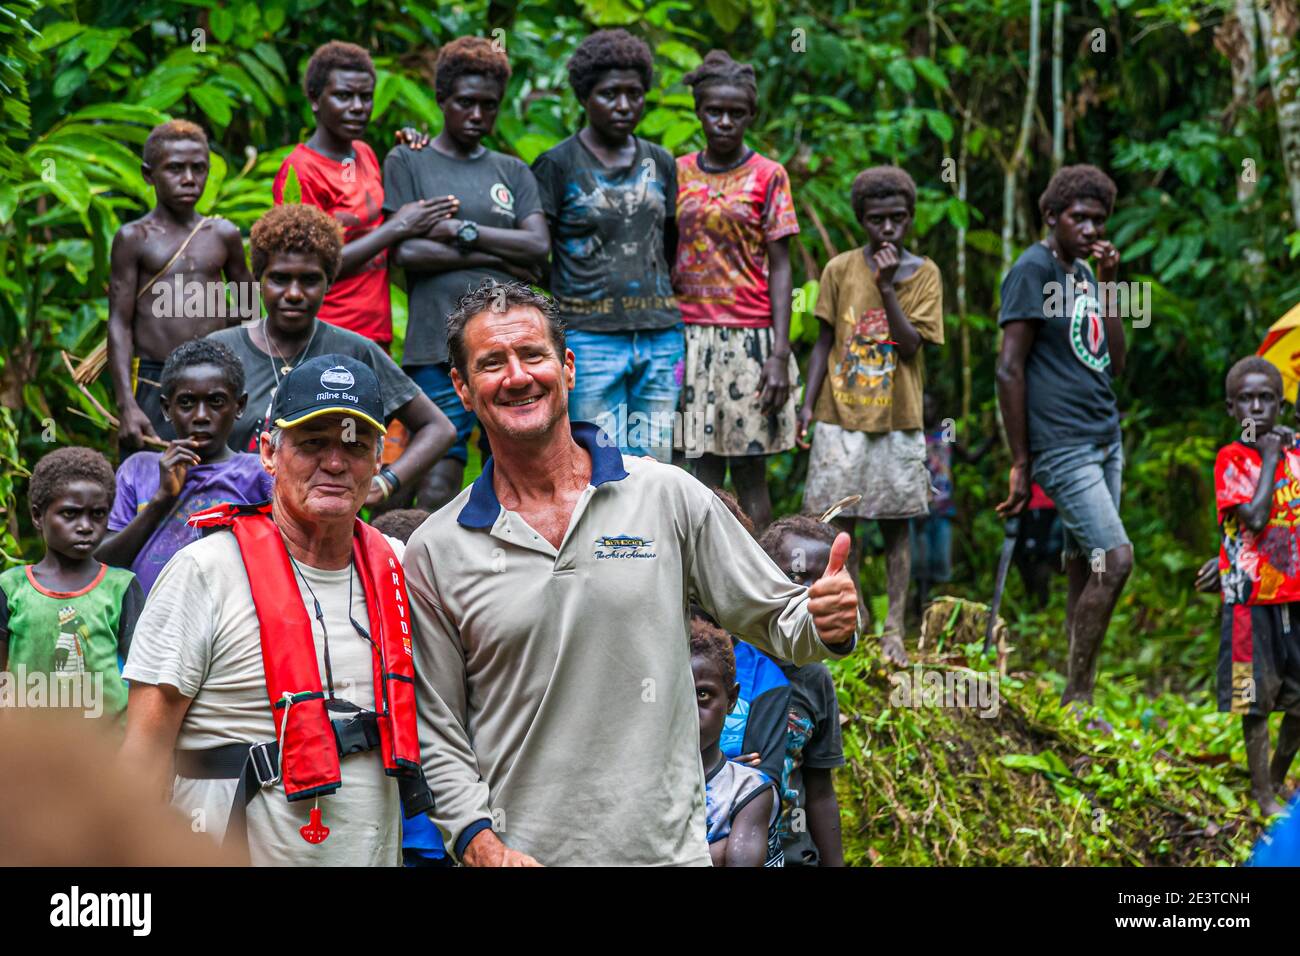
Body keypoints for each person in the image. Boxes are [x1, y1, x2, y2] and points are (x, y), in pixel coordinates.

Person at [404, 280, 861, 867]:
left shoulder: (665, 496)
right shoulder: (437, 548)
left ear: (567, 367)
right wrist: (478, 842)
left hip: (662, 854)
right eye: (492, 363)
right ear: (463, 390)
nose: (517, 376)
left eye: (534, 355)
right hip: (521, 857)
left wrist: (830, 620)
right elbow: (436, 725)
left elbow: (778, 617)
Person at [119, 354, 435, 865]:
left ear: (379, 458)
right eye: (313, 443)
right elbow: (141, 759)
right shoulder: (204, 571)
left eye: (355, 445)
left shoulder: (401, 569)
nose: (335, 463)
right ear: (268, 451)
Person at [385, 36, 549, 508]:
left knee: (518, 460)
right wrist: (501, 258)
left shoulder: (513, 171)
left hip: (509, 347)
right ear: (441, 101)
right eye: (465, 103)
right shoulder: (409, 160)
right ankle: (406, 571)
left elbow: (538, 247)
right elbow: (408, 254)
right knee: (437, 464)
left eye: (488, 105)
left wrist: (460, 231)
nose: (477, 115)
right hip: (435, 344)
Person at [207, 203, 454, 507]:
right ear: (259, 279)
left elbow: (439, 428)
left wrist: (385, 483)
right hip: (229, 523)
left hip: (323, 532)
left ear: (330, 282)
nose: (294, 293)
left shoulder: (353, 351)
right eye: (280, 279)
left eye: (310, 280)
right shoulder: (221, 351)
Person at [994, 163, 1130, 705]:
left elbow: (1115, 361)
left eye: (1099, 220)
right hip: (1063, 443)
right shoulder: (1033, 269)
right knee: (1117, 560)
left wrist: (1112, 287)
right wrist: (1022, 461)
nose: (1092, 229)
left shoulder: (1083, 274)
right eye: (1080, 218)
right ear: (1052, 216)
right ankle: (1076, 694)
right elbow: (1009, 368)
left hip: (1105, 435)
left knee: (1087, 564)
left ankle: (1081, 698)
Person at [799, 166, 944, 667]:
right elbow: (824, 343)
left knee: (897, 526)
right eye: (878, 220)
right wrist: (805, 404)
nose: (888, 230)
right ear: (862, 219)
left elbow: (910, 345)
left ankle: (894, 629)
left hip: (897, 421)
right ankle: (855, 618)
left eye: (898, 219)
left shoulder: (924, 274)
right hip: (839, 417)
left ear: (910, 220)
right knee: (845, 528)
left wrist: (885, 287)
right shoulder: (839, 269)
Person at [532, 29, 681, 462]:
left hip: (660, 332)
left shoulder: (661, 161)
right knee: (599, 459)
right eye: (608, 94)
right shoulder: (557, 164)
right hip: (588, 337)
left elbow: (669, 239)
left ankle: (654, 535)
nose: (623, 105)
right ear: (584, 96)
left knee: (657, 463)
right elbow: (537, 250)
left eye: (634, 94)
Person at [673, 51, 800, 531]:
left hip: (751, 339)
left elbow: (782, 265)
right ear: (699, 111)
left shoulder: (769, 176)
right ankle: (702, 594)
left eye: (736, 113)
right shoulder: (678, 171)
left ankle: (761, 583)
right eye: (713, 111)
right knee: (699, 470)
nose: (724, 121)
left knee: (750, 474)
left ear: (751, 115)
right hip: (690, 335)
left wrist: (779, 353)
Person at [273, 41, 454, 348]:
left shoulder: (364, 153)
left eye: (365, 97)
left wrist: (410, 153)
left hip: (375, 332)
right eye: (344, 96)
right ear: (315, 100)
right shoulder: (301, 169)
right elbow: (309, 267)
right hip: (327, 334)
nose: (358, 107)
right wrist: (399, 227)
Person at [108, 120, 255, 452]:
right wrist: (127, 405)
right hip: (154, 380)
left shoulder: (223, 235)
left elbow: (248, 309)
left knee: (218, 481)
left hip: (217, 381)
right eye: (175, 168)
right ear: (149, 174)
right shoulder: (134, 238)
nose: (189, 179)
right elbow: (119, 322)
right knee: (155, 480)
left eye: (198, 168)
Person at [97, 339, 273, 595]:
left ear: (239, 406)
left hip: (229, 623)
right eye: (187, 403)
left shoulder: (260, 473)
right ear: (167, 409)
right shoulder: (138, 469)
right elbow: (102, 562)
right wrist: (162, 499)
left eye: (216, 402)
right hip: (146, 626)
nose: (201, 416)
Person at [1213, 356, 1300, 817]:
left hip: (1295, 600)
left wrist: (1284, 449)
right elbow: (1255, 517)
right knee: (1255, 699)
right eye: (1245, 399)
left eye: (1267, 398)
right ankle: (1261, 794)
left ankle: (1278, 777)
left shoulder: (1295, 453)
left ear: (1281, 406)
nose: (1256, 408)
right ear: (1231, 408)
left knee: (1298, 702)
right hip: (1249, 603)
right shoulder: (1231, 460)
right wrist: (1268, 457)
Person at [0, 448, 142, 722]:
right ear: (38, 516)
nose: (86, 526)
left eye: (98, 514)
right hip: (26, 751)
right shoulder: (11, 588)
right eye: (70, 514)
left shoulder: (121, 587)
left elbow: (142, 681)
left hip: (105, 755)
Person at [758, 514, 848, 866]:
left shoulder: (815, 678)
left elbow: (821, 791)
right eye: (794, 578)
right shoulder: (720, 661)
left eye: (822, 579)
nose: (809, 593)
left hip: (794, 855)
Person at [693, 617, 782, 867]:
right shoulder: (645, 778)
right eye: (680, 692)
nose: (690, 709)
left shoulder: (749, 790)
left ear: (732, 699)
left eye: (702, 694)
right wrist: (720, 853)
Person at [910, 392, 993, 612]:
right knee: (920, 564)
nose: (927, 411)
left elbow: (968, 456)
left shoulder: (946, 430)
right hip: (918, 508)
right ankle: (920, 605)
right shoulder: (912, 434)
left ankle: (931, 605)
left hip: (943, 507)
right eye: (923, 406)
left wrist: (991, 440)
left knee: (941, 562)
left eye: (931, 406)